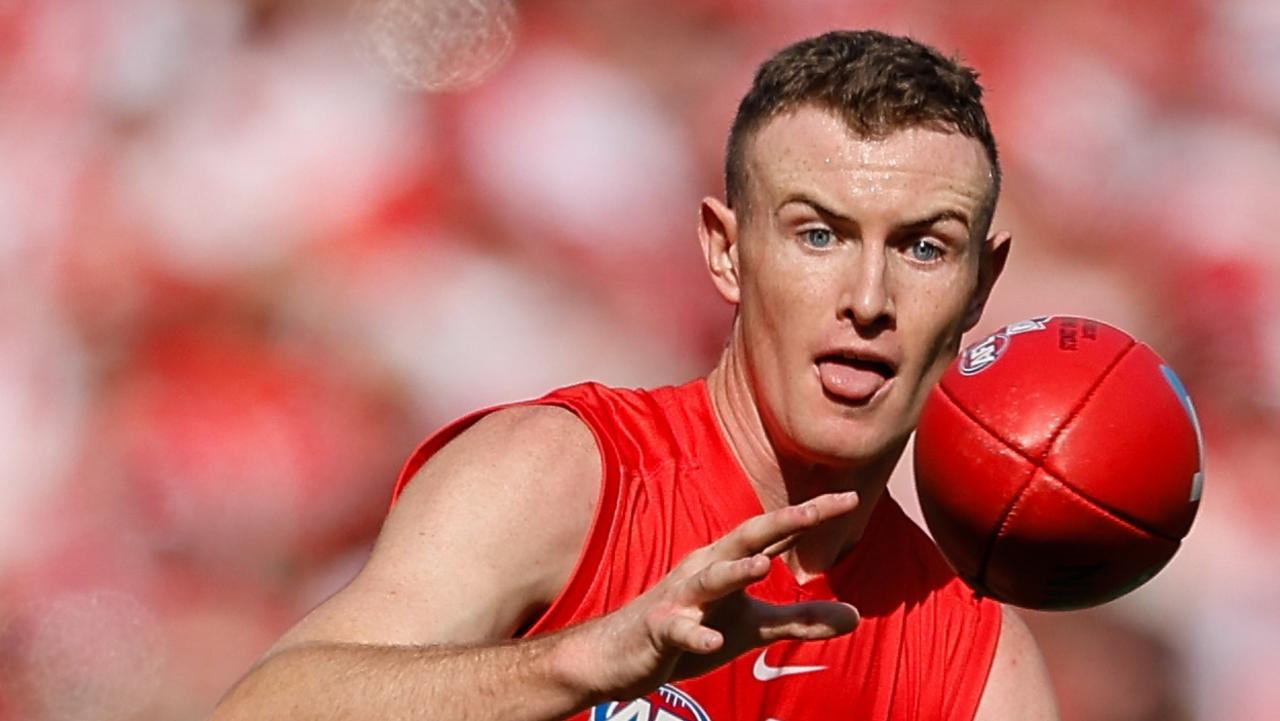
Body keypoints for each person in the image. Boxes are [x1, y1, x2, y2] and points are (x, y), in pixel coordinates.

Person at [212, 29, 1058, 721]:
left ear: (979, 285)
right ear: (726, 253)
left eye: (923, 248)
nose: (869, 299)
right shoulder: (564, 478)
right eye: (819, 236)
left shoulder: (975, 664)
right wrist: (580, 662)